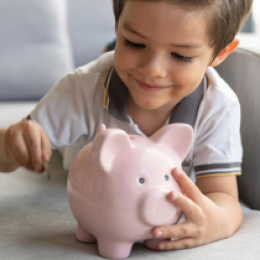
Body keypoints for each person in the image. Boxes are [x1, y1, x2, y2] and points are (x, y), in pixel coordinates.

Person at [0, 0, 253, 251]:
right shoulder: (82, 88)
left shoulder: (216, 105)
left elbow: (224, 197)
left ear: (220, 53)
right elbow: (10, 150)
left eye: (181, 55)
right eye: (134, 42)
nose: (153, 70)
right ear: (117, 23)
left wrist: (218, 222)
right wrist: (12, 147)